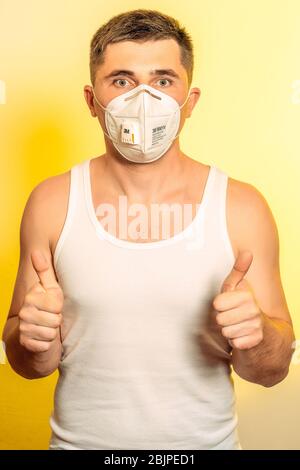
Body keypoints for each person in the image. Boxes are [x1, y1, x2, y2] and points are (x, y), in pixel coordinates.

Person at [2, 9, 295, 450]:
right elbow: (26, 362)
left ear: (189, 101)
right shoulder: (51, 202)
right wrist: (35, 340)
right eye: (121, 80)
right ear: (91, 101)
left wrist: (256, 337)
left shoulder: (241, 207)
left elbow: (272, 371)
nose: (142, 98)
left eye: (162, 80)